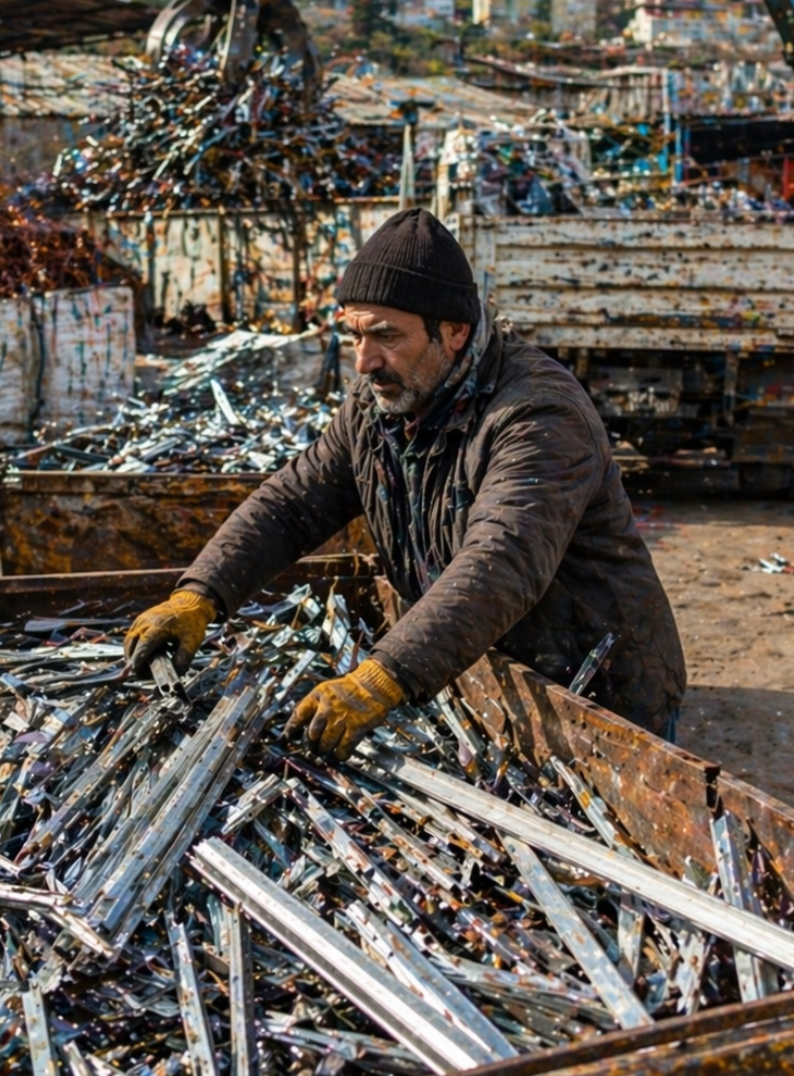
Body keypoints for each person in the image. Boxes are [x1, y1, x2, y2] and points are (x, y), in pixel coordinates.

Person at [124, 208, 686, 758]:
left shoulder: (538, 415)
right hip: (490, 672)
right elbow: (292, 504)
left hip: (598, 692)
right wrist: (200, 595)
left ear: (454, 331)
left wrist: (381, 678)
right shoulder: (378, 407)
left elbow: (501, 561)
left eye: (387, 336)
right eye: (356, 336)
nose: (365, 362)